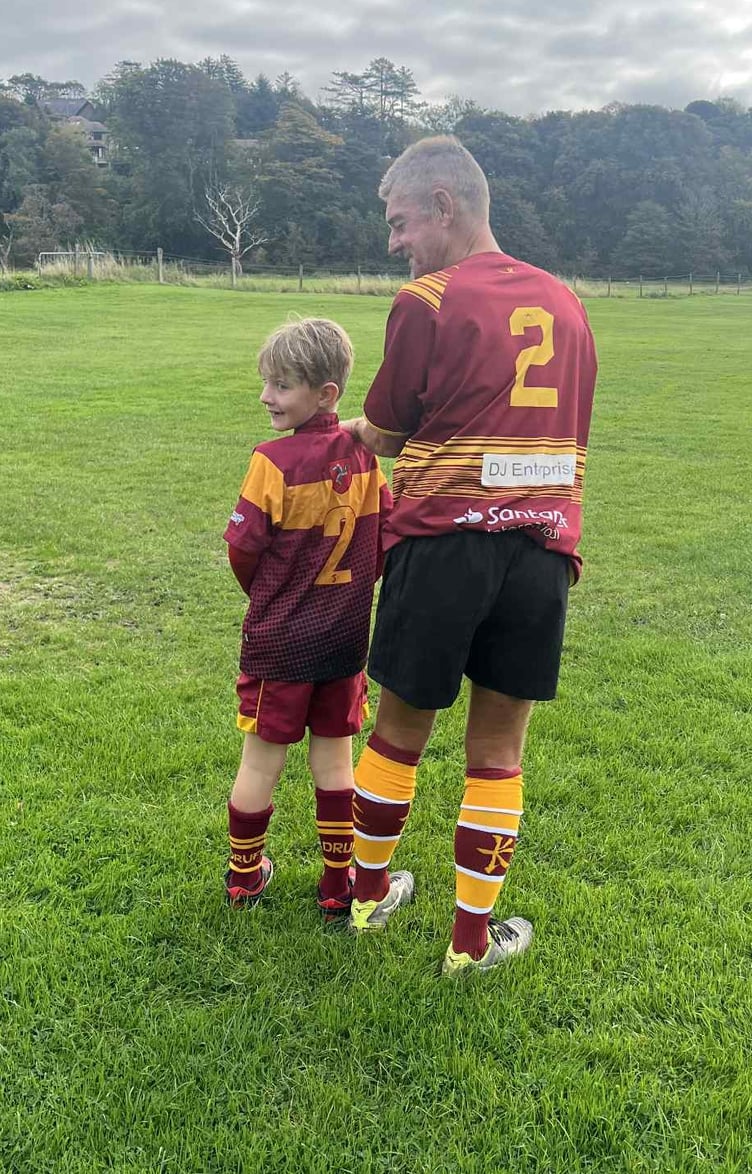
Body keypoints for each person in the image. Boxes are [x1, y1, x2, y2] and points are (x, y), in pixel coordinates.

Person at [341, 136, 598, 974]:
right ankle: (469, 945)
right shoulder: (567, 302)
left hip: (442, 544)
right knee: (498, 752)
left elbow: (386, 430)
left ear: (444, 206)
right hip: (539, 553)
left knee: (398, 733)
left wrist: (344, 434)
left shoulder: (427, 298)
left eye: (400, 221)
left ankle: (370, 901)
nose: (394, 242)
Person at [222, 317, 392, 922]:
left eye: (282, 385)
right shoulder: (367, 460)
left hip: (280, 644)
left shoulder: (271, 461)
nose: (267, 396)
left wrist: (267, 596)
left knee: (260, 761)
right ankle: (337, 883)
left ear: (327, 394)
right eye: (267, 382)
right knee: (335, 761)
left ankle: (245, 875)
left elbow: (242, 550)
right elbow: (384, 538)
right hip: (344, 639)